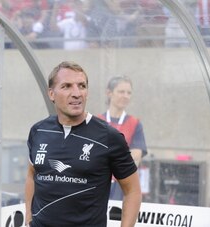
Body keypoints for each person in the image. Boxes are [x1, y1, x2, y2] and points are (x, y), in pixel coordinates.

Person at [24, 61, 142, 226]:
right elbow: (32, 174)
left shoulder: (109, 137)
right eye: (67, 86)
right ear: (51, 94)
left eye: (82, 86)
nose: (76, 93)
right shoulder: (38, 131)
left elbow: (133, 191)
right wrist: (28, 218)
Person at [97, 76, 147, 201]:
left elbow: (136, 155)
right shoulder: (97, 121)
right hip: (99, 182)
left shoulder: (135, 123)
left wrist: (107, 157)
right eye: (121, 92)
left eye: (129, 93)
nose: (126, 96)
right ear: (109, 93)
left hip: (123, 185)